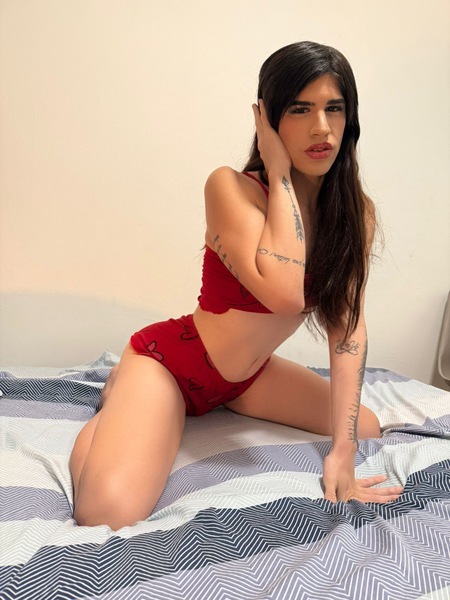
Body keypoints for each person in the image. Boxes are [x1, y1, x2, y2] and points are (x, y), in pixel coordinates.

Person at [70, 41, 403, 530]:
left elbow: (347, 328)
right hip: (172, 364)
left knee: (366, 427)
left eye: (334, 108)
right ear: (266, 119)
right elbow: (285, 293)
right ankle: (124, 389)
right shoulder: (231, 188)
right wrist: (281, 177)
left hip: (246, 379)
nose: (321, 127)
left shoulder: (355, 213)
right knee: (105, 513)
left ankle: (153, 401)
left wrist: (343, 451)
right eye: (300, 109)